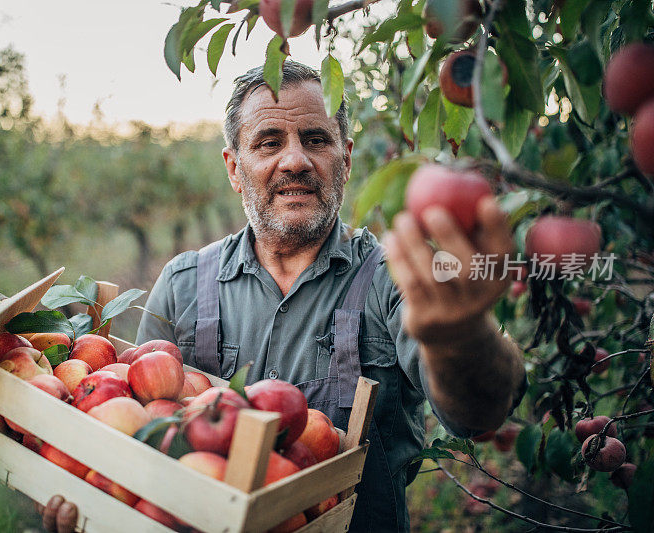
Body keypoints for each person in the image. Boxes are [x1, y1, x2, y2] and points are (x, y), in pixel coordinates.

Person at [41, 61, 527, 532]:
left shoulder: (393, 278)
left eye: (316, 140)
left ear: (347, 159)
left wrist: (462, 341)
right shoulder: (182, 284)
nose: (294, 160)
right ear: (234, 168)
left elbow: (476, 414)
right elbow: (144, 441)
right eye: (269, 142)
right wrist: (96, 500)